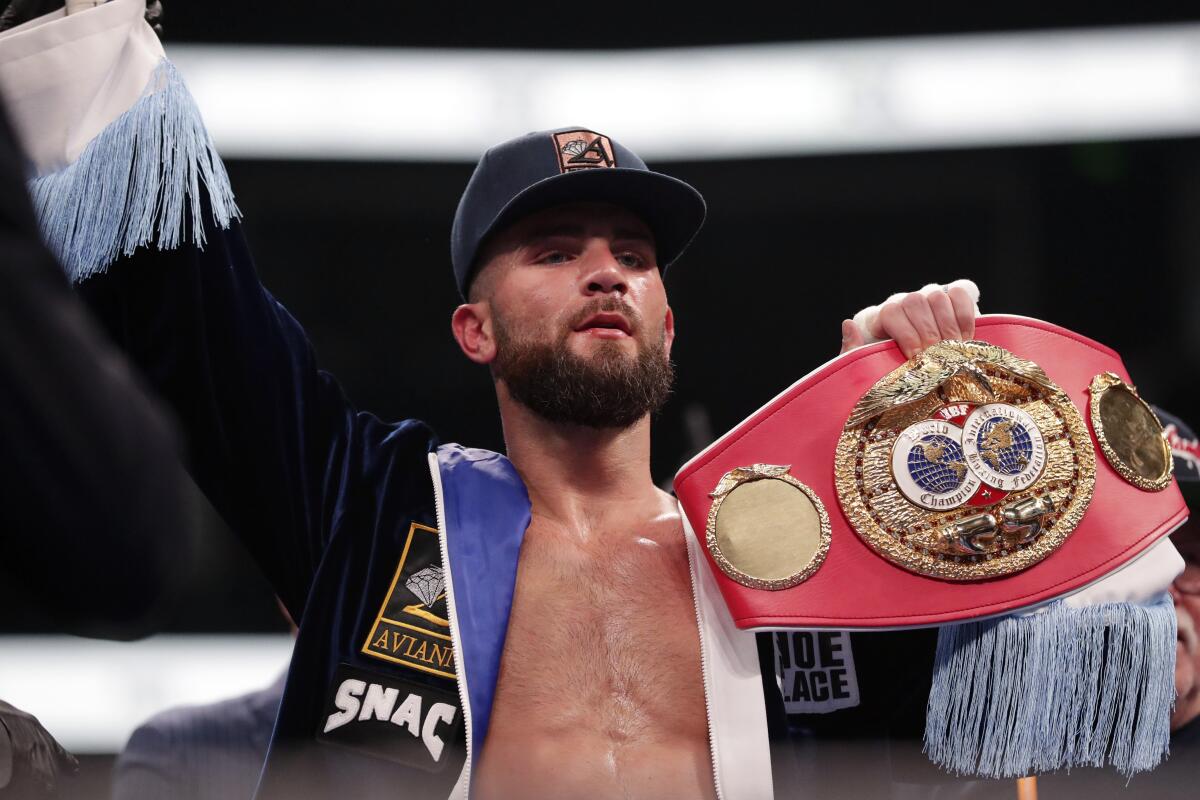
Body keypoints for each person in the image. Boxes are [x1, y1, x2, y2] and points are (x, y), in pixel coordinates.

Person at [0, 3, 983, 798]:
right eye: (557, 251)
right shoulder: (374, 508)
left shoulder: (792, 547)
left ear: (668, 322)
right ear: (476, 329)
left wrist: (917, 438)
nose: (606, 275)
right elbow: (200, 309)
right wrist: (81, 23)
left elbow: (1002, 689)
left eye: (633, 258)